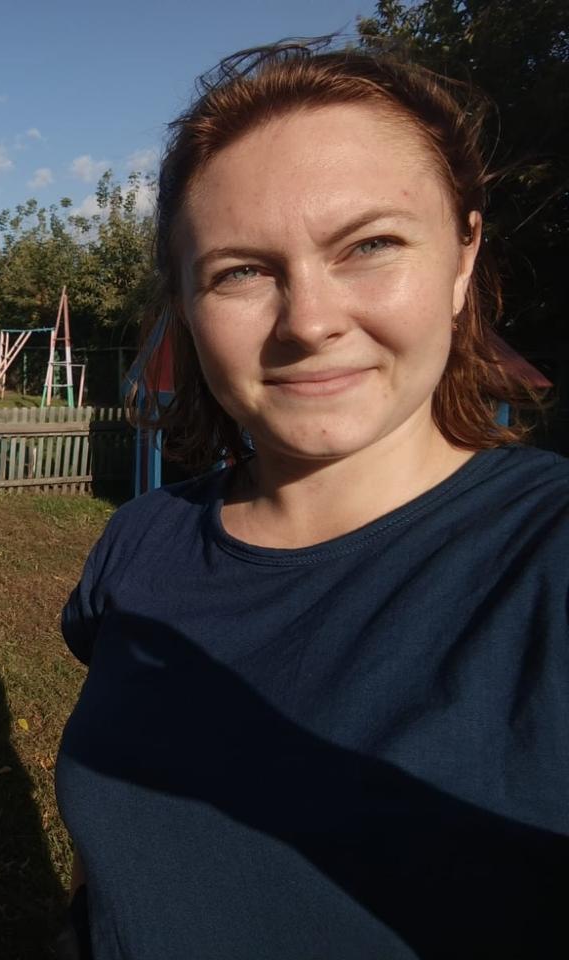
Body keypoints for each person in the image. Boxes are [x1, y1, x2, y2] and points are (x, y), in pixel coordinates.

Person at [56, 41, 569, 960]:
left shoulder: (542, 559)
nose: (309, 321)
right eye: (241, 272)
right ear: (186, 305)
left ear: (462, 257)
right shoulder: (140, 542)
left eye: (370, 245)